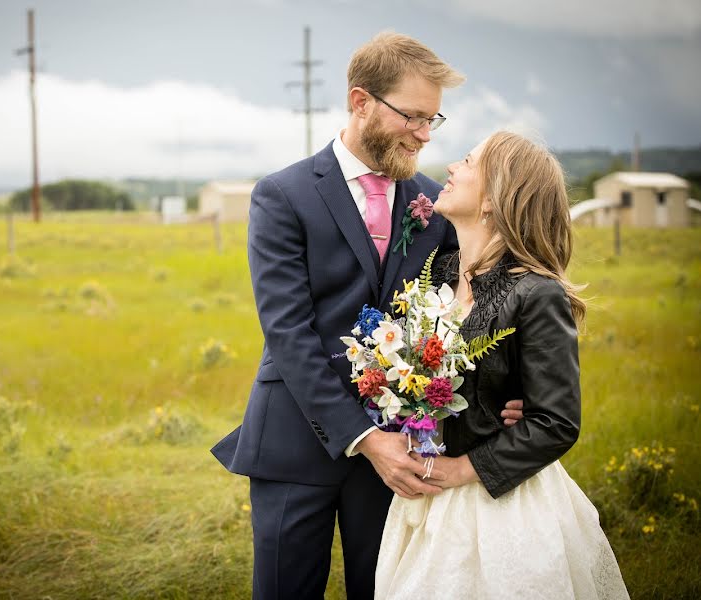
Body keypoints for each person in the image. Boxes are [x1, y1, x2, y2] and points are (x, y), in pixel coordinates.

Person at [211, 33, 524, 599]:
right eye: (413, 116)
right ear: (360, 102)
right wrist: (363, 437)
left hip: (402, 452)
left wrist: (509, 388)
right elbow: (288, 333)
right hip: (295, 440)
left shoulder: (437, 202)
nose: (425, 134)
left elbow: (469, 311)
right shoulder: (282, 195)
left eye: (434, 119)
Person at [374, 131, 629, 599]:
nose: (450, 168)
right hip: (425, 501)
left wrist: (461, 469)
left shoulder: (536, 293)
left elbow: (555, 422)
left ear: (494, 198)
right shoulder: (436, 274)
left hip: (499, 504)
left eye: (468, 162)